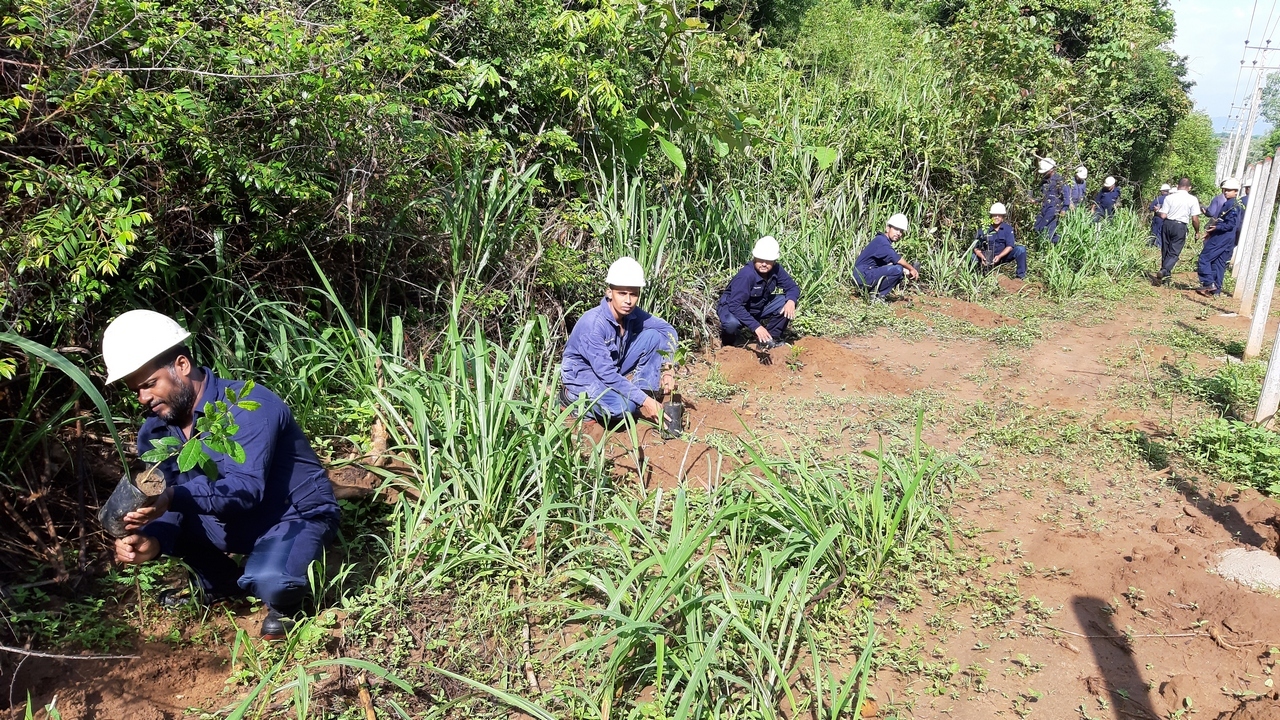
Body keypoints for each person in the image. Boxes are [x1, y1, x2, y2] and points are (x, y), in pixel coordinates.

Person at [103, 310, 341, 640]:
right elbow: (168, 500)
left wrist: (172, 498)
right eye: (136, 391)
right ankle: (225, 584)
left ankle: (284, 600)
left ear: (182, 366)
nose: (144, 398)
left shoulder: (248, 406)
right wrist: (152, 540)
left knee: (271, 581)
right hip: (230, 527)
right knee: (177, 518)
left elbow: (245, 489)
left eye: (149, 384)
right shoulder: (155, 432)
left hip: (290, 516)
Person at [561, 256, 677, 425]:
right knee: (625, 408)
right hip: (583, 376)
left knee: (653, 335)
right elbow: (606, 374)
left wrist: (668, 368)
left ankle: (644, 392)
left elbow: (667, 330)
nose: (628, 301)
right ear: (609, 292)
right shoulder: (593, 324)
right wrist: (644, 401)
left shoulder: (631, 313)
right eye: (622, 293)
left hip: (610, 368)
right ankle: (570, 398)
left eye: (633, 294)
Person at [717, 235, 800, 349]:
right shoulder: (746, 275)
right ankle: (730, 343)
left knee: (785, 301)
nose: (764, 264)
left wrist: (791, 301)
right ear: (755, 258)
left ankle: (770, 339)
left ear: (774, 261)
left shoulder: (776, 270)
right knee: (731, 324)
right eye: (761, 260)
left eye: (768, 261)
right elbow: (735, 305)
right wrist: (756, 326)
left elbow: (792, 287)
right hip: (733, 308)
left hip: (758, 305)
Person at [1196, 178, 1245, 296]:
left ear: (1236, 191)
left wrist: (1216, 228)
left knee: (1204, 258)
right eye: (1225, 190)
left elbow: (1230, 224)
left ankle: (1208, 283)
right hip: (1229, 238)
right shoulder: (1236, 204)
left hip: (1221, 237)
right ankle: (1216, 290)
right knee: (1219, 263)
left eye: (1229, 190)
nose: (1226, 192)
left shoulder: (1231, 204)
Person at [853, 214, 919, 301]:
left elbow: (889, 264)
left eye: (901, 231)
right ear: (888, 228)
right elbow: (896, 259)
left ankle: (876, 295)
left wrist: (906, 271)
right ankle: (875, 296)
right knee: (898, 269)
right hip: (863, 276)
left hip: (866, 275)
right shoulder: (881, 241)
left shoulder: (883, 242)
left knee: (900, 272)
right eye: (896, 229)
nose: (898, 233)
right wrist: (911, 269)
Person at [1154, 177, 1202, 286]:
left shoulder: (1169, 198)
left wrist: (1157, 212)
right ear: (1189, 188)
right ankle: (1164, 270)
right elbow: (1195, 219)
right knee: (1174, 252)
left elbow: (1163, 215)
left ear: (1177, 186)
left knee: (1165, 250)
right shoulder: (1192, 199)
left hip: (1167, 224)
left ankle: (1165, 277)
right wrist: (1197, 231)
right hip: (1180, 226)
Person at [972, 203, 1026, 279]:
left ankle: (1020, 277)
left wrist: (999, 256)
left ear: (1003, 217)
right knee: (972, 257)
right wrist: (982, 257)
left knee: (1021, 249)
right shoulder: (983, 229)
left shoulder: (1008, 229)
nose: (997, 217)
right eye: (994, 215)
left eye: (999, 215)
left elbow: (1010, 246)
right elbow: (975, 247)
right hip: (987, 258)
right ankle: (977, 276)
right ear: (991, 216)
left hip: (1002, 257)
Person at [1033, 158, 1069, 244]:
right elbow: (1042, 195)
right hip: (1044, 209)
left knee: (1049, 231)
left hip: (1054, 210)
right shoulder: (1044, 181)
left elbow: (1066, 196)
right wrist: (1035, 200)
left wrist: (1064, 209)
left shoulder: (1059, 181)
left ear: (1051, 170)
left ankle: (1052, 248)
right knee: (1037, 227)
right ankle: (1057, 243)